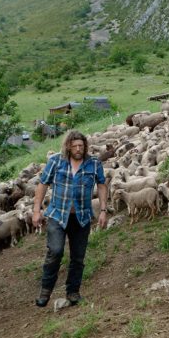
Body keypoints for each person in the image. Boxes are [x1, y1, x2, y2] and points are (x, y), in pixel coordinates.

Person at [32, 130, 108, 307]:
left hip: (81, 217)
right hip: (58, 215)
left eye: (81, 146)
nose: (78, 149)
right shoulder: (56, 161)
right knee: (55, 251)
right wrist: (36, 210)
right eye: (75, 146)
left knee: (78, 257)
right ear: (68, 146)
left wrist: (103, 210)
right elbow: (43, 184)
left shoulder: (94, 163)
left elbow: (102, 185)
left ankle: (73, 292)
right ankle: (45, 291)